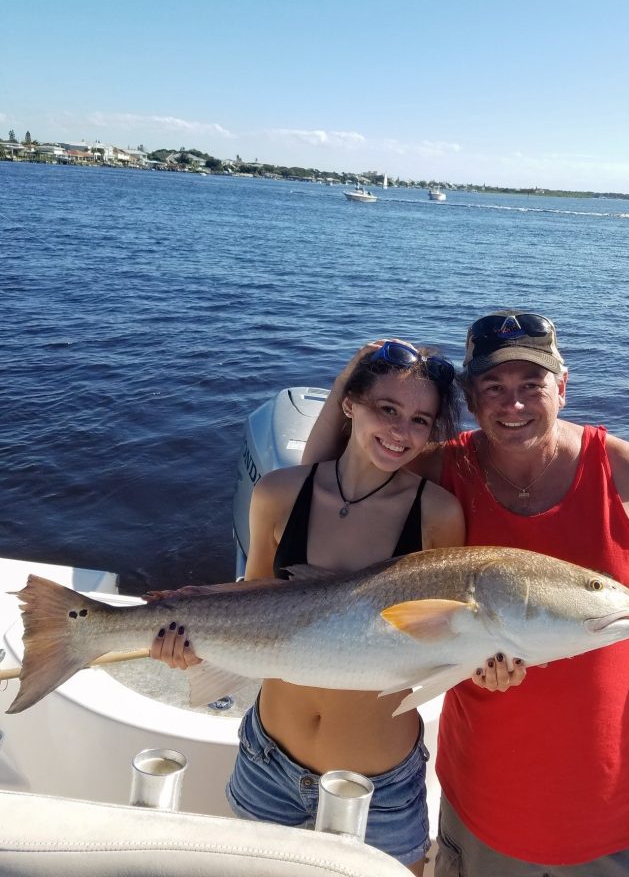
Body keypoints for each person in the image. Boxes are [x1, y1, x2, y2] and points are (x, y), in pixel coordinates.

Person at [303, 310, 629, 877]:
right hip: (483, 810)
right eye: (493, 387)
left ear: (562, 385)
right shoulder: (438, 472)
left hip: (618, 814)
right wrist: (350, 382)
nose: (514, 404)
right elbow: (321, 483)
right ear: (471, 398)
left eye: (531, 384)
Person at [150, 340, 466, 875]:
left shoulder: (437, 513)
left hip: (381, 780)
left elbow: (447, 629)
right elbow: (252, 609)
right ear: (349, 403)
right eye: (386, 409)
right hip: (268, 759)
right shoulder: (277, 494)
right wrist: (196, 652)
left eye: (420, 419)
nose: (400, 431)